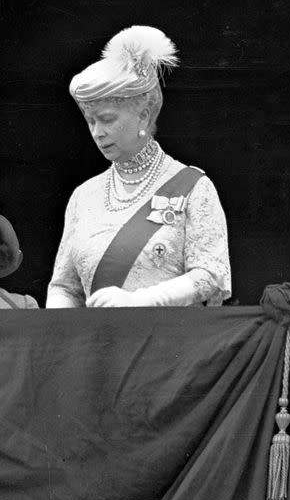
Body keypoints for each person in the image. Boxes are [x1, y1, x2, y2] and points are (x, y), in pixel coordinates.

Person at [47, 26, 231, 308]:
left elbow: (211, 275)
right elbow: (64, 287)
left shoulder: (194, 187)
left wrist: (142, 300)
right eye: (90, 121)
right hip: (95, 347)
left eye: (107, 119)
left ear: (143, 116)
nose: (97, 132)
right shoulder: (83, 196)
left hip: (167, 345)